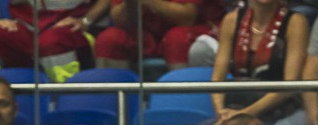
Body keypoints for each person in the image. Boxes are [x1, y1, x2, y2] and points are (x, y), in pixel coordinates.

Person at [208, 0, 310, 125]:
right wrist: (221, 114)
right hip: (236, 106)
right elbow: (217, 80)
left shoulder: (295, 22)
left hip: (277, 107)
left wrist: (246, 113)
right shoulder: (231, 20)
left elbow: (290, 84)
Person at [0, 0, 109, 82]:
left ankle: (66, 104)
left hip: (74, 29)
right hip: (26, 27)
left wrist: (86, 20)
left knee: (52, 42)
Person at [94, 0, 224, 72]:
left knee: (176, 39)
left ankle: (184, 104)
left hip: (194, 28)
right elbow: (120, 21)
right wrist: (130, 4)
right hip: (146, 33)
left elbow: (187, 18)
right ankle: (111, 107)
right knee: (109, 40)